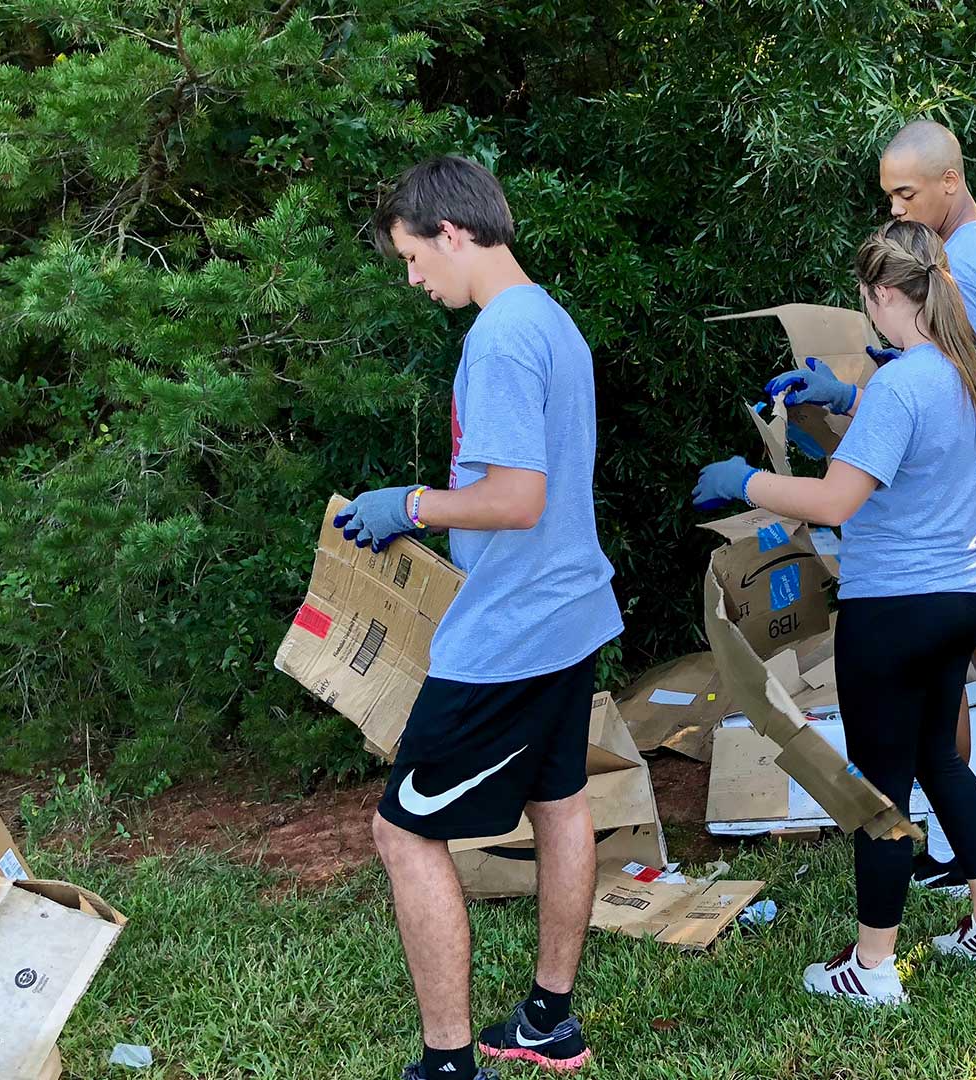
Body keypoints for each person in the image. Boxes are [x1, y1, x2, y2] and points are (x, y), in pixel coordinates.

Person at [694, 219, 976, 1005]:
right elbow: (924, 441)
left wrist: (743, 480)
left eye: (869, 304)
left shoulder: (904, 383)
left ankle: (873, 966)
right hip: (962, 596)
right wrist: (845, 396)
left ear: (887, 294)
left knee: (879, 787)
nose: (870, 318)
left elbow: (836, 500)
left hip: (893, 609)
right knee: (939, 760)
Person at [338, 156, 624, 1079]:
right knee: (559, 803)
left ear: (452, 233)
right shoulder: (552, 321)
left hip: (509, 634)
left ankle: (449, 1063)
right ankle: (549, 1018)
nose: (414, 280)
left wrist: (409, 505)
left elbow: (515, 498)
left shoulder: (501, 337)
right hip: (569, 615)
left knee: (402, 831)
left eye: (414, 259)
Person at [768, 119, 976, 888]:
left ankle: (950, 840)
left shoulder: (960, 267)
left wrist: (843, 410)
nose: (894, 209)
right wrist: (859, 393)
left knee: (944, 667)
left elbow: (933, 397)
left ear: (950, 181)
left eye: (905, 192)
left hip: (969, 483)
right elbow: (960, 385)